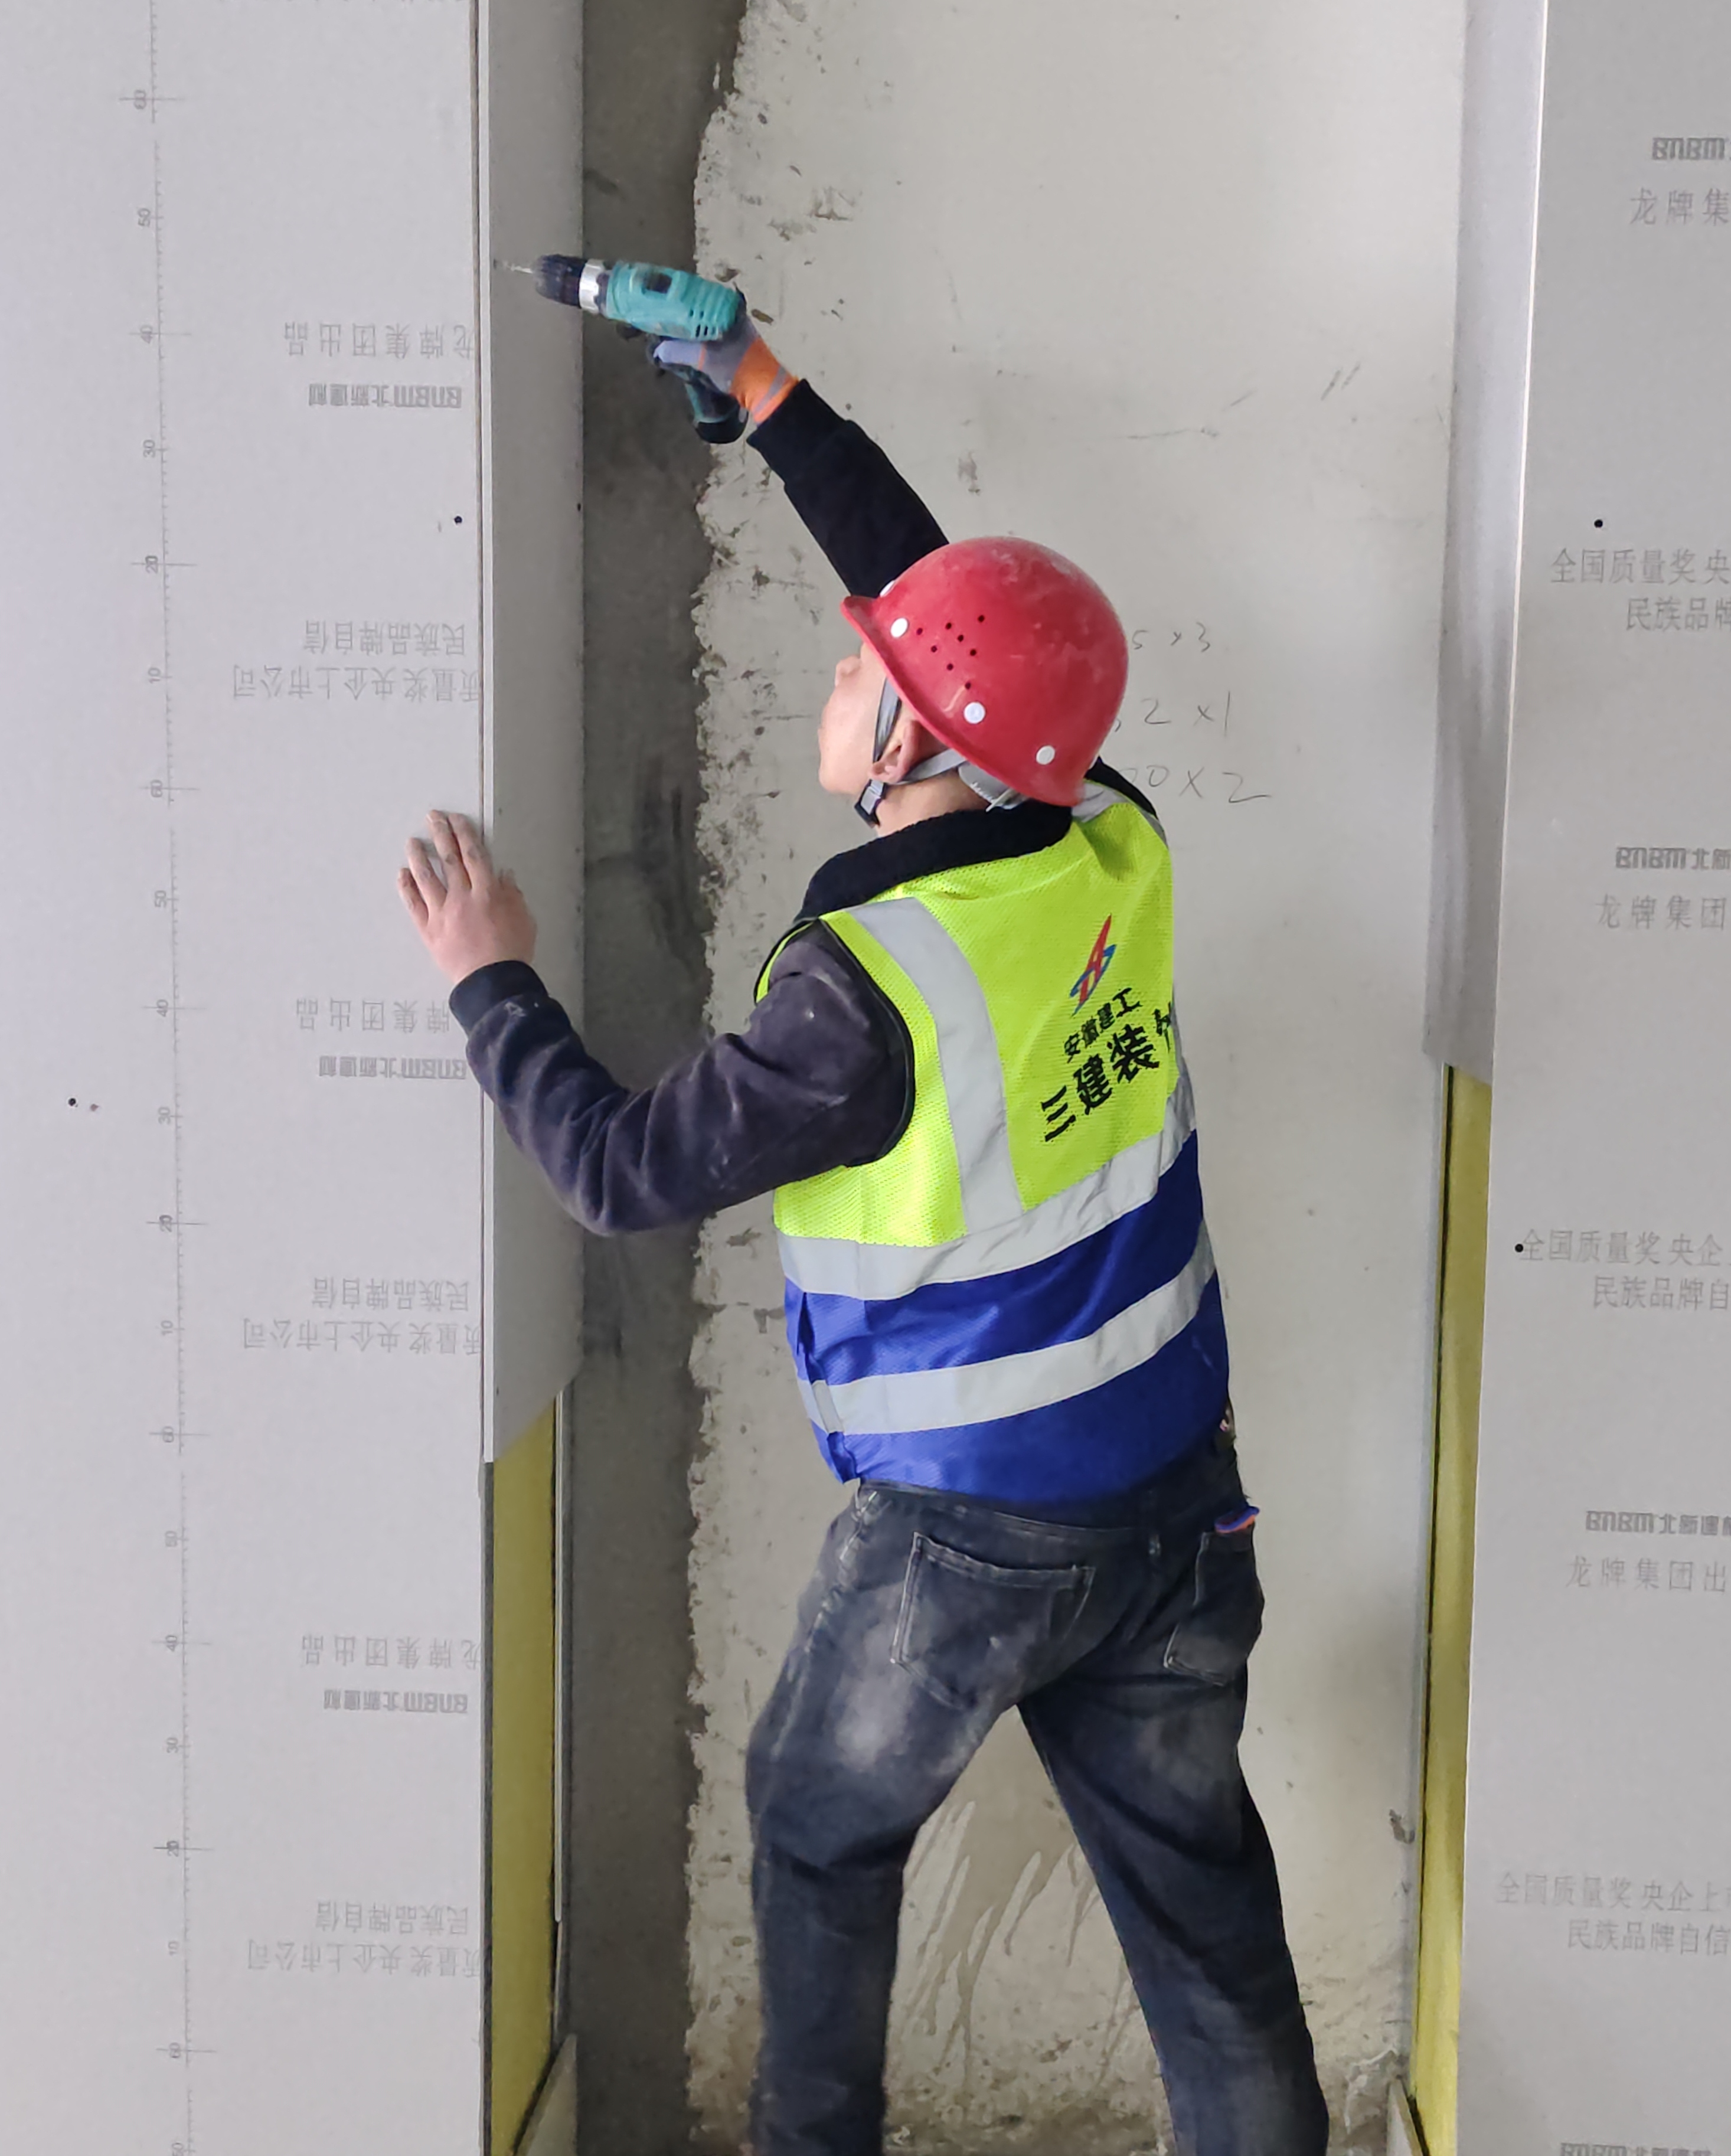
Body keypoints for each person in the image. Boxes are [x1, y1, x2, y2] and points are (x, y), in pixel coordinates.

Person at [397, 296, 1328, 2156]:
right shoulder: (1105, 831)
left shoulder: (865, 991)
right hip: (1169, 1504)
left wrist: (491, 982)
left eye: (861, 672)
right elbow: (949, 613)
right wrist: (763, 389)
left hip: (972, 1539)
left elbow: (620, 1173)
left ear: (913, 734)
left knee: (818, 1828)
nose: (840, 668)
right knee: (1205, 1926)